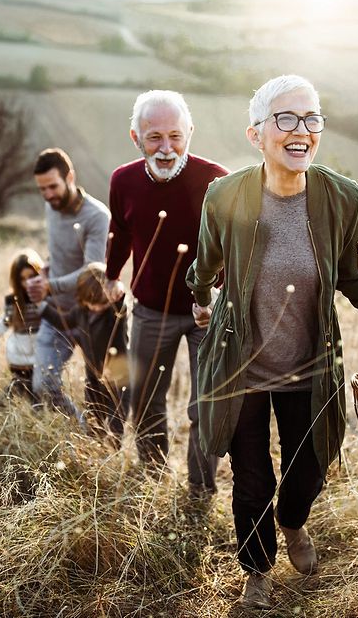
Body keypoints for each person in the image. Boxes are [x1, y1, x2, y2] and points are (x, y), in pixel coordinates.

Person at [186, 75, 358, 609]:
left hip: (309, 366)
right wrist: (199, 297)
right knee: (251, 480)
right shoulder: (226, 195)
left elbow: (356, 276)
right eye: (286, 119)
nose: (302, 130)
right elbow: (204, 266)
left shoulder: (342, 197)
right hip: (240, 364)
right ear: (257, 134)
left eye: (311, 118)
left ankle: (293, 523)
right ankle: (257, 571)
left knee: (308, 469)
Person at [105, 90, 228, 496]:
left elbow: (236, 247)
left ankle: (200, 489)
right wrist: (111, 276)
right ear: (134, 137)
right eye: (154, 136)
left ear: (190, 132)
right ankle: (153, 478)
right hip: (150, 311)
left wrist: (218, 298)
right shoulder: (123, 181)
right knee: (145, 400)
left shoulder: (216, 181)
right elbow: (120, 234)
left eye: (175, 135)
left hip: (205, 313)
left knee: (205, 405)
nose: (166, 147)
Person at [27, 148, 110, 424]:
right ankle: (79, 428)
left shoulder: (97, 216)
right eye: (42, 189)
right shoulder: (50, 207)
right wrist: (45, 273)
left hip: (89, 316)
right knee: (42, 386)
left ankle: (98, 443)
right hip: (56, 315)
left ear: (70, 177)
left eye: (53, 186)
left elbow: (92, 272)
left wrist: (49, 286)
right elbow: (57, 252)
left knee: (103, 392)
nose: (48, 195)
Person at [41, 262, 129, 446]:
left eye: (101, 303)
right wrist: (42, 308)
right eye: (91, 303)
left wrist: (118, 292)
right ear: (82, 298)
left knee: (115, 421)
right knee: (94, 415)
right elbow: (62, 320)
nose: (96, 308)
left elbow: (122, 306)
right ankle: (94, 449)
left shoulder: (114, 315)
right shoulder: (81, 311)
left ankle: (112, 453)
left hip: (117, 376)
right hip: (93, 376)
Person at [0, 248, 45, 405]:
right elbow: (5, 321)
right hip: (18, 356)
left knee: (38, 393)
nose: (28, 283)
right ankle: (1, 405)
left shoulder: (46, 298)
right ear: (16, 280)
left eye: (32, 276)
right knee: (21, 388)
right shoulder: (13, 301)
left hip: (40, 356)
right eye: (23, 279)